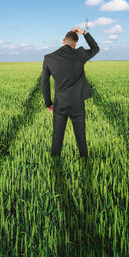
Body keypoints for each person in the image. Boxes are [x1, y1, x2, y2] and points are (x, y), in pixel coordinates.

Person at [41, 27, 100, 159]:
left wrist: (48, 103)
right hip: (77, 103)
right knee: (80, 134)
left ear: (63, 41)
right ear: (75, 45)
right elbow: (95, 48)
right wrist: (84, 33)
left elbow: (44, 83)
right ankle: (84, 159)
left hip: (60, 103)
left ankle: (55, 161)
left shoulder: (49, 58)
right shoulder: (79, 54)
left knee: (57, 135)